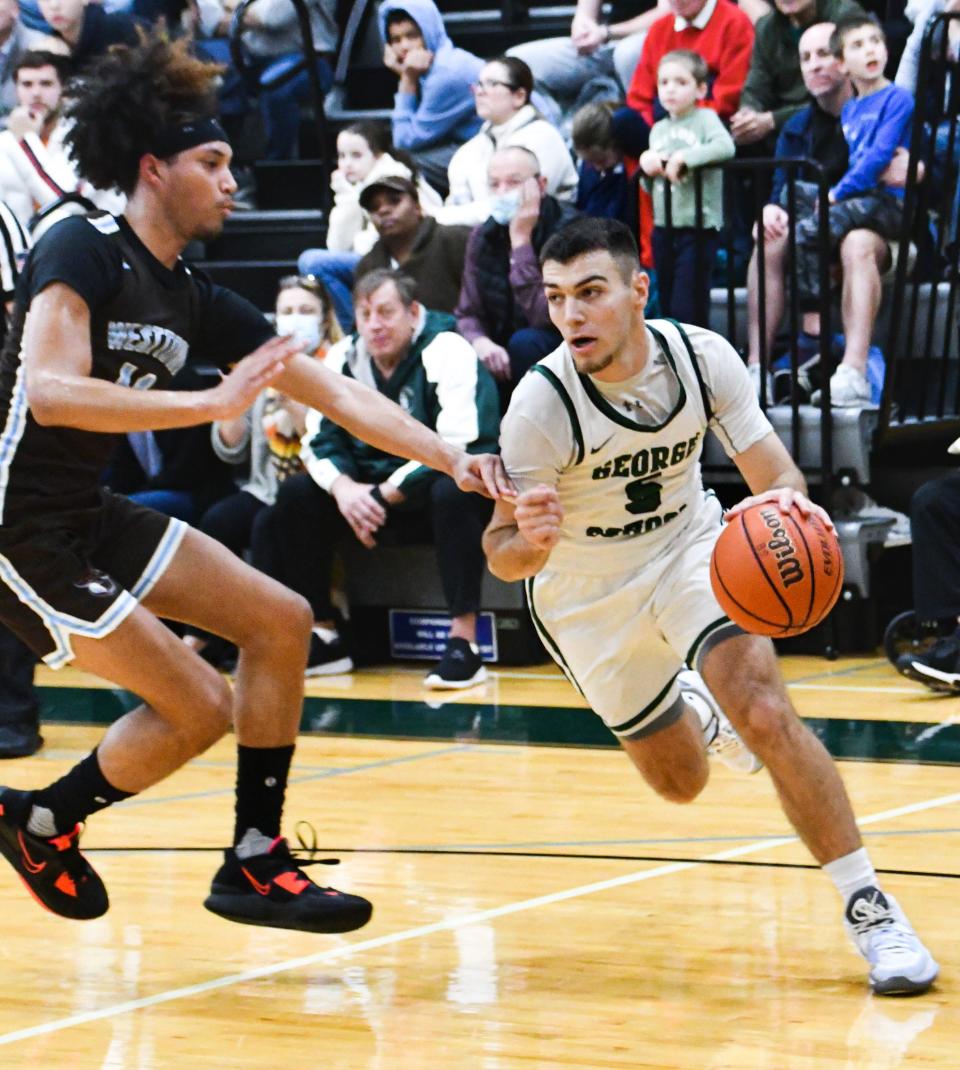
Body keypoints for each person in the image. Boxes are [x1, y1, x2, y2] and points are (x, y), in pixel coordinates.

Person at [0, 33, 509, 930]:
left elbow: (341, 393)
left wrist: (452, 459)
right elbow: (49, 392)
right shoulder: (78, 242)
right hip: (16, 528)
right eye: (213, 161)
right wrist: (208, 404)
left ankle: (250, 859)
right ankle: (43, 820)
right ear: (154, 169)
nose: (233, 180)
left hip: (85, 511)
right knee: (198, 705)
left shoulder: (192, 294)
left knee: (278, 620)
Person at [482, 215, 938, 996]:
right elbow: (499, 553)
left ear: (637, 290)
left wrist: (788, 519)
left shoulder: (702, 358)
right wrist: (528, 537)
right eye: (557, 298)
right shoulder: (540, 403)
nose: (572, 316)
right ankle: (699, 708)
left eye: (591, 293)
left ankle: (871, 908)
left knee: (768, 711)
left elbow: (780, 478)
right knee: (680, 783)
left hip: (691, 548)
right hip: (587, 596)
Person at [252, 268, 500, 686]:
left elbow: (464, 442)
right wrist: (346, 491)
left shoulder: (447, 349)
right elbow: (318, 440)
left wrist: (386, 494)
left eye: (386, 312)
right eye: (365, 314)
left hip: (426, 491)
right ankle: (325, 633)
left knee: (454, 490)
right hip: (366, 500)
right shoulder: (344, 356)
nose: (374, 325)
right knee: (296, 496)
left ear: (414, 312)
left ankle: (464, 642)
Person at [792, 14, 914, 406]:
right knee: (799, 206)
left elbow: (878, 157)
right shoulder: (850, 111)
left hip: (891, 207)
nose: (870, 51)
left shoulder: (897, 98)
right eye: (858, 46)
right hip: (865, 203)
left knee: (815, 226)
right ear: (843, 63)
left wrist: (836, 194)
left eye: (875, 42)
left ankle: (813, 322)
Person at [456, 146, 578, 403]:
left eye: (513, 182)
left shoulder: (571, 232)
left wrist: (520, 241)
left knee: (525, 342)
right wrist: (480, 342)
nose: (502, 192)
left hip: (563, 347)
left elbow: (549, 316)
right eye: (494, 184)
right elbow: (468, 312)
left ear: (541, 185)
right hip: (503, 352)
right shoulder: (482, 237)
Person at [297, 122, 440, 329]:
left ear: (379, 156)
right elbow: (337, 246)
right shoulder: (356, 187)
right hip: (375, 261)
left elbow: (377, 244)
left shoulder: (391, 178)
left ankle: (352, 330)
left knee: (313, 262)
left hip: (406, 260)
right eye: (341, 156)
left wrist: (351, 199)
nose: (346, 164)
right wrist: (347, 197)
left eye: (356, 155)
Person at [639, 49, 734, 325]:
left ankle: (696, 359)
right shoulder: (658, 129)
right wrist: (648, 165)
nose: (670, 89)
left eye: (681, 82)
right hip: (664, 225)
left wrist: (686, 158)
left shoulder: (706, 119)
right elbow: (649, 186)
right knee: (667, 299)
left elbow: (725, 146)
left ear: (700, 89)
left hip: (698, 225)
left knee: (688, 302)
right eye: (664, 82)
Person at [440, 56, 578, 228]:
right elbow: (455, 204)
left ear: (519, 96)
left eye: (491, 83)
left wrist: (439, 216)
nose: (480, 92)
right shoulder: (468, 151)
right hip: (485, 241)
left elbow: (513, 207)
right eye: (479, 84)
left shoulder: (544, 136)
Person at [0, 50, 125, 228]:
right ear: (16, 91)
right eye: (26, 84)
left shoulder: (84, 138)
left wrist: (25, 142)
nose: (36, 93)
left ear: (63, 91)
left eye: (46, 84)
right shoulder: (4, 143)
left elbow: (69, 205)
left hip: (72, 243)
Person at [615, 0, 755, 157]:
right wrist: (662, 131)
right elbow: (639, 96)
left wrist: (684, 118)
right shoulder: (659, 28)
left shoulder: (734, 22)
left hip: (708, 122)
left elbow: (730, 96)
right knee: (623, 121)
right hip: (663, 121)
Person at [378, 0, 482, 195]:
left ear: (429, 32)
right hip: (477, 145)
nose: (405, 47)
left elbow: (404, 140)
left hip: (502, 149)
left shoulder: (445, 74)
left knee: (400, 162)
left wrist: (407, 79)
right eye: (396, 40)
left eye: (412, 36)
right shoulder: (434, 66)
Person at [731, 0, 865, 149]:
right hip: (780, 130)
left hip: (838, 120)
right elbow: (757, 84)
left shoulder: (844, 16)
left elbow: (855, 89)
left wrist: (773, 120)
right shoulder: (767, 27)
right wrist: (747, 114)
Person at [354, 174, 470, 323]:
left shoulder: (456, 239)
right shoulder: (367, 266)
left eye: (394, 201)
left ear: (417, 207)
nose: (383, 211)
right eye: (374, 207)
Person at [571, 101, 631, 222]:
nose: (597, 168)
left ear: (616, 146)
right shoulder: (587, 169)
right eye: (589, 162)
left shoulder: (627, 174)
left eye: (601, 161)